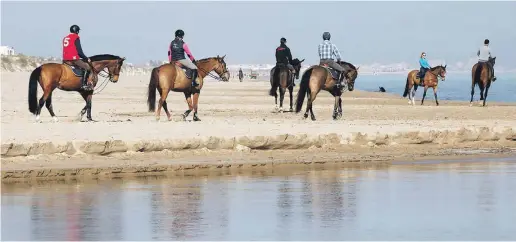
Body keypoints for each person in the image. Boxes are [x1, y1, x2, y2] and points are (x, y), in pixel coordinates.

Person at [62, 24, 93, 91]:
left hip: (65, 60)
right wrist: (86, 58)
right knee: (87, 68)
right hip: (73, 59)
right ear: (77, 31)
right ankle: (84, 85)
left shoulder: (66, 38)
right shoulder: (75, 37)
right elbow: (79, 51)